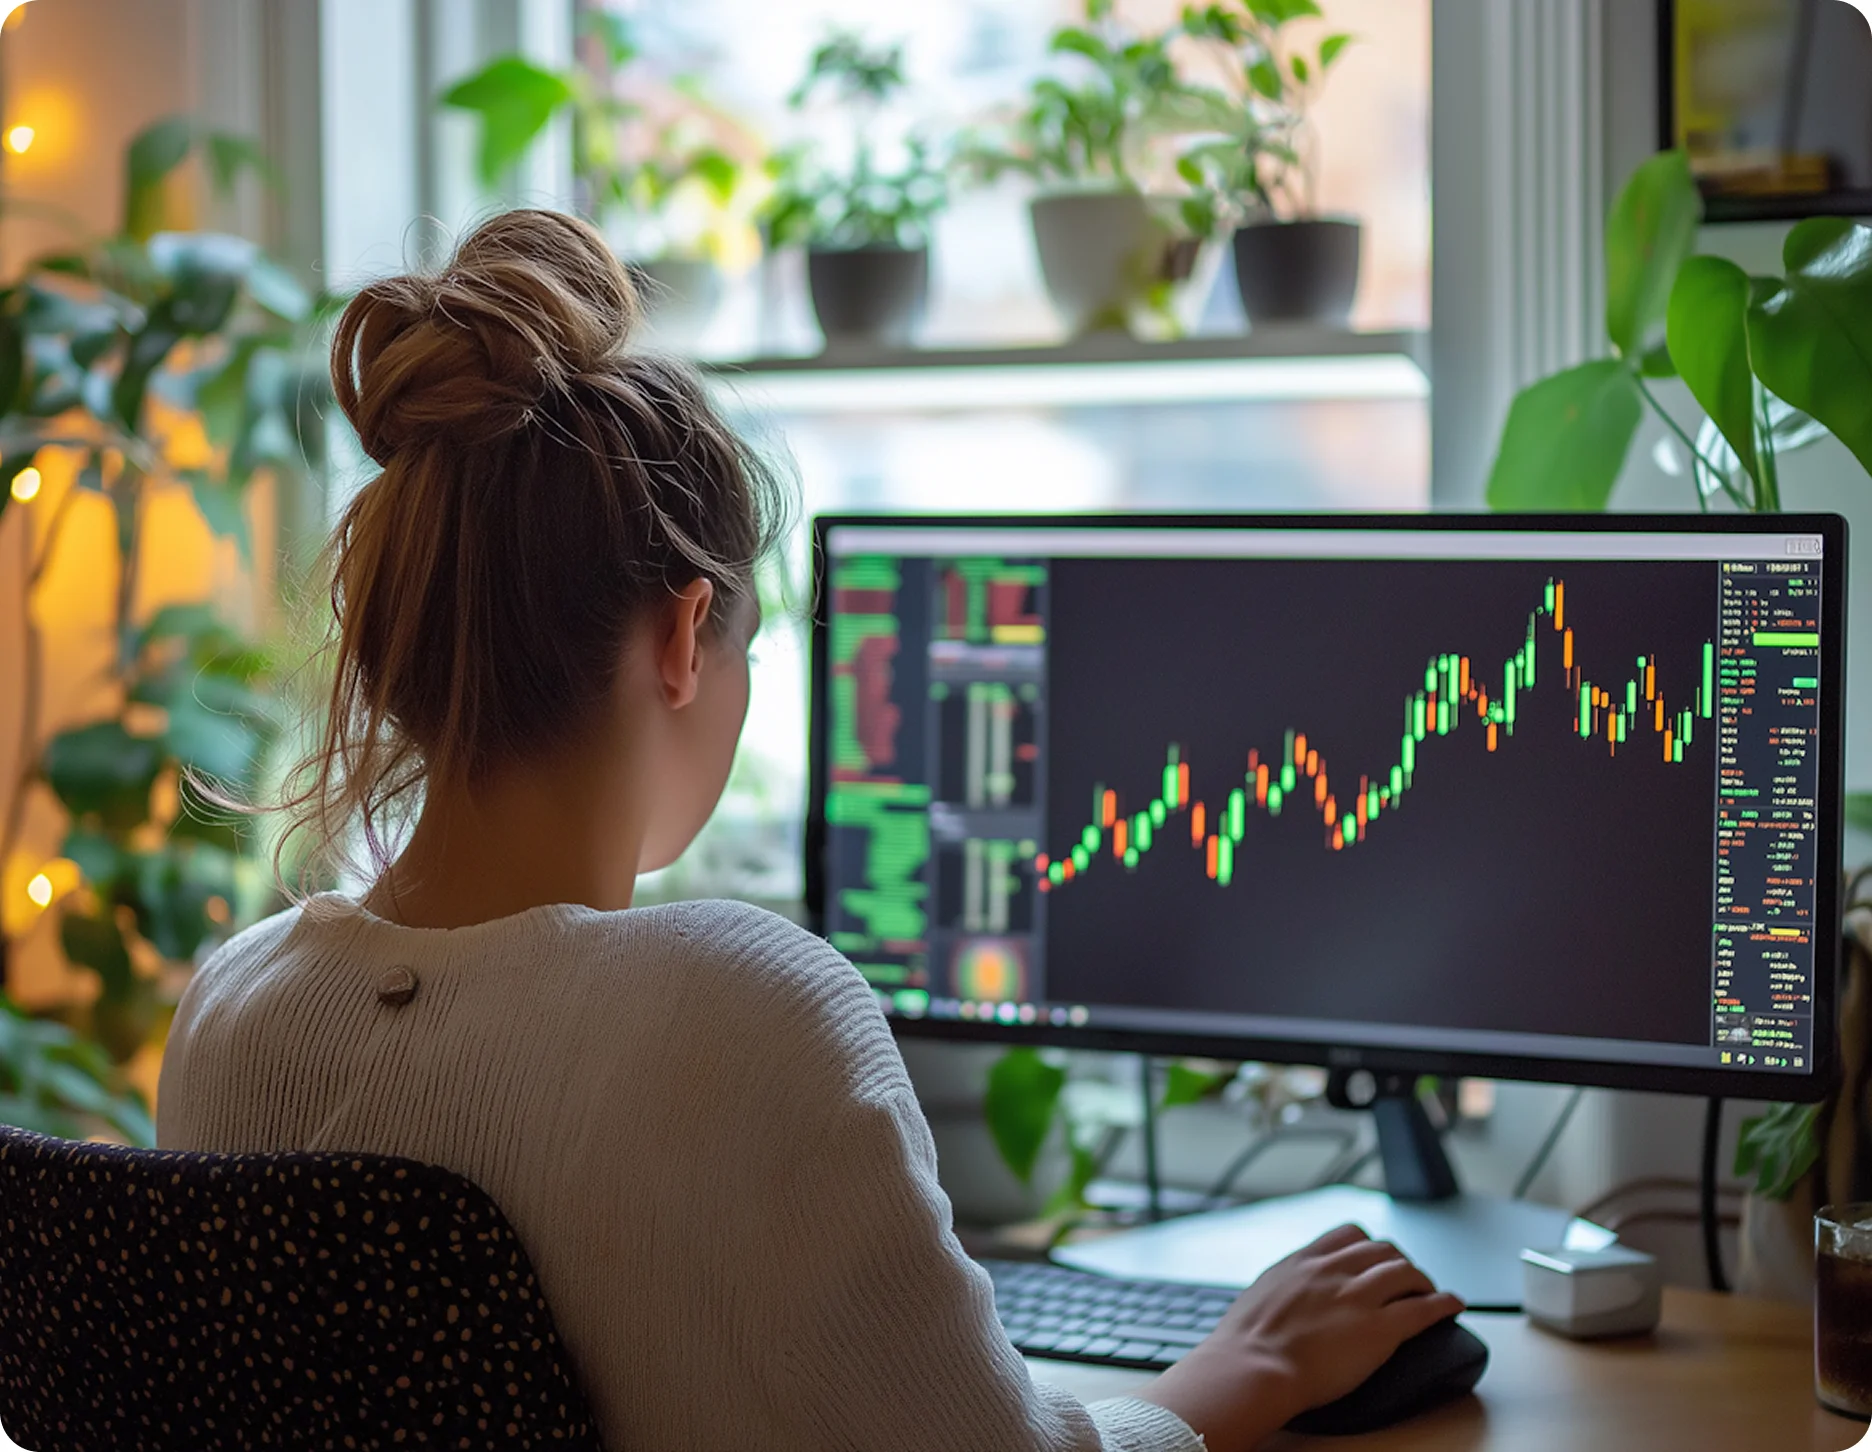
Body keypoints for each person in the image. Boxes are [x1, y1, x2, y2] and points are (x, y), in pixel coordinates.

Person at [157, 208, 1464, 1452]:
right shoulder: (737, 1009)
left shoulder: (230, 1017)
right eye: (750, 645)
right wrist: (1252, 1369)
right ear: (682, 639)